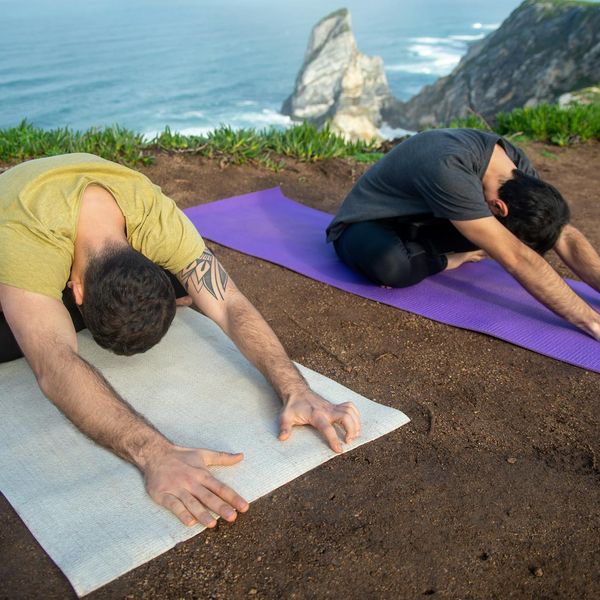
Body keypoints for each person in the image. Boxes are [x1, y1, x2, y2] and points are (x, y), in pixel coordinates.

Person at [0, 153, 361, 528]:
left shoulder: (157, 220)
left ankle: (150, 288)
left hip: (75, 227)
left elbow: (229, 304)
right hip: (18, 214)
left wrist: (295, 389)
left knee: (193, 278)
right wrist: (155, 454)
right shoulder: (27, 242)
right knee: (22, 338)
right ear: (75, 292)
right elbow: (54, 364)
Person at [327, 128, 600, 340]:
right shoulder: (450, 168)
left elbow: (562, 232)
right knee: (392, 266)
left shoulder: (516, 169)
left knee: (497, 235)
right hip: (368, 222)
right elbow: (517, 258)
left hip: (428, 219)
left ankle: (443, 249)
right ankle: (451, 259)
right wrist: (591, 321)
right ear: (498, 206)